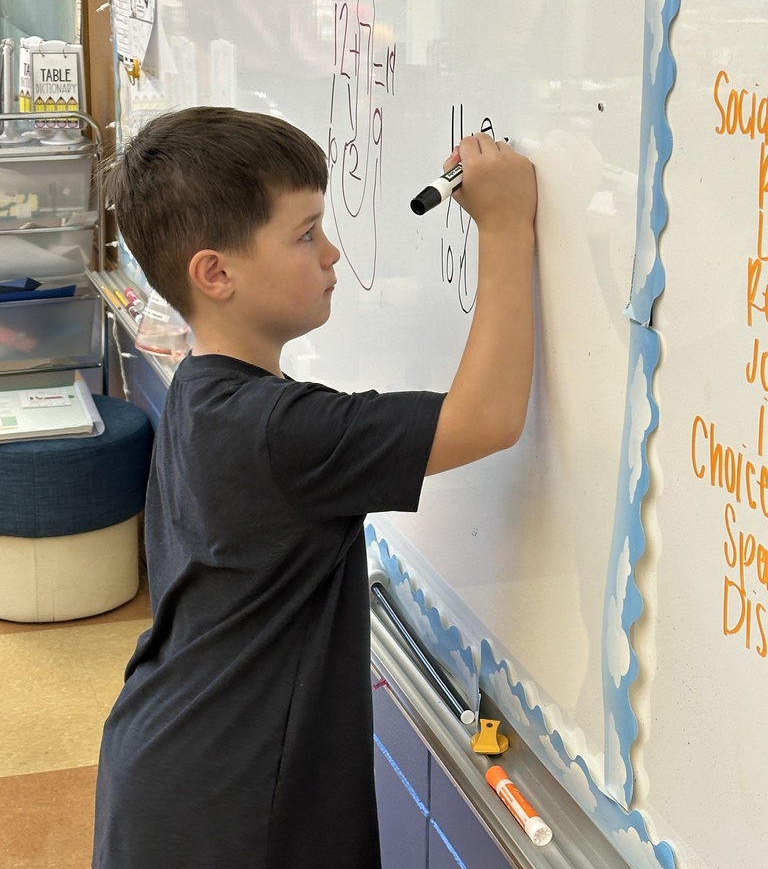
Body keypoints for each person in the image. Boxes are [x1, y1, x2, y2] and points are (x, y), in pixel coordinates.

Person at [92, 107, 537, 869]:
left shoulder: (203, 391)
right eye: (305, 235)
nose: (332, 253)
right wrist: (503, 226)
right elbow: (489, 416)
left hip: (174, 770)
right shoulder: (279, 433)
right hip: (230, 814)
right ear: (215, 274)